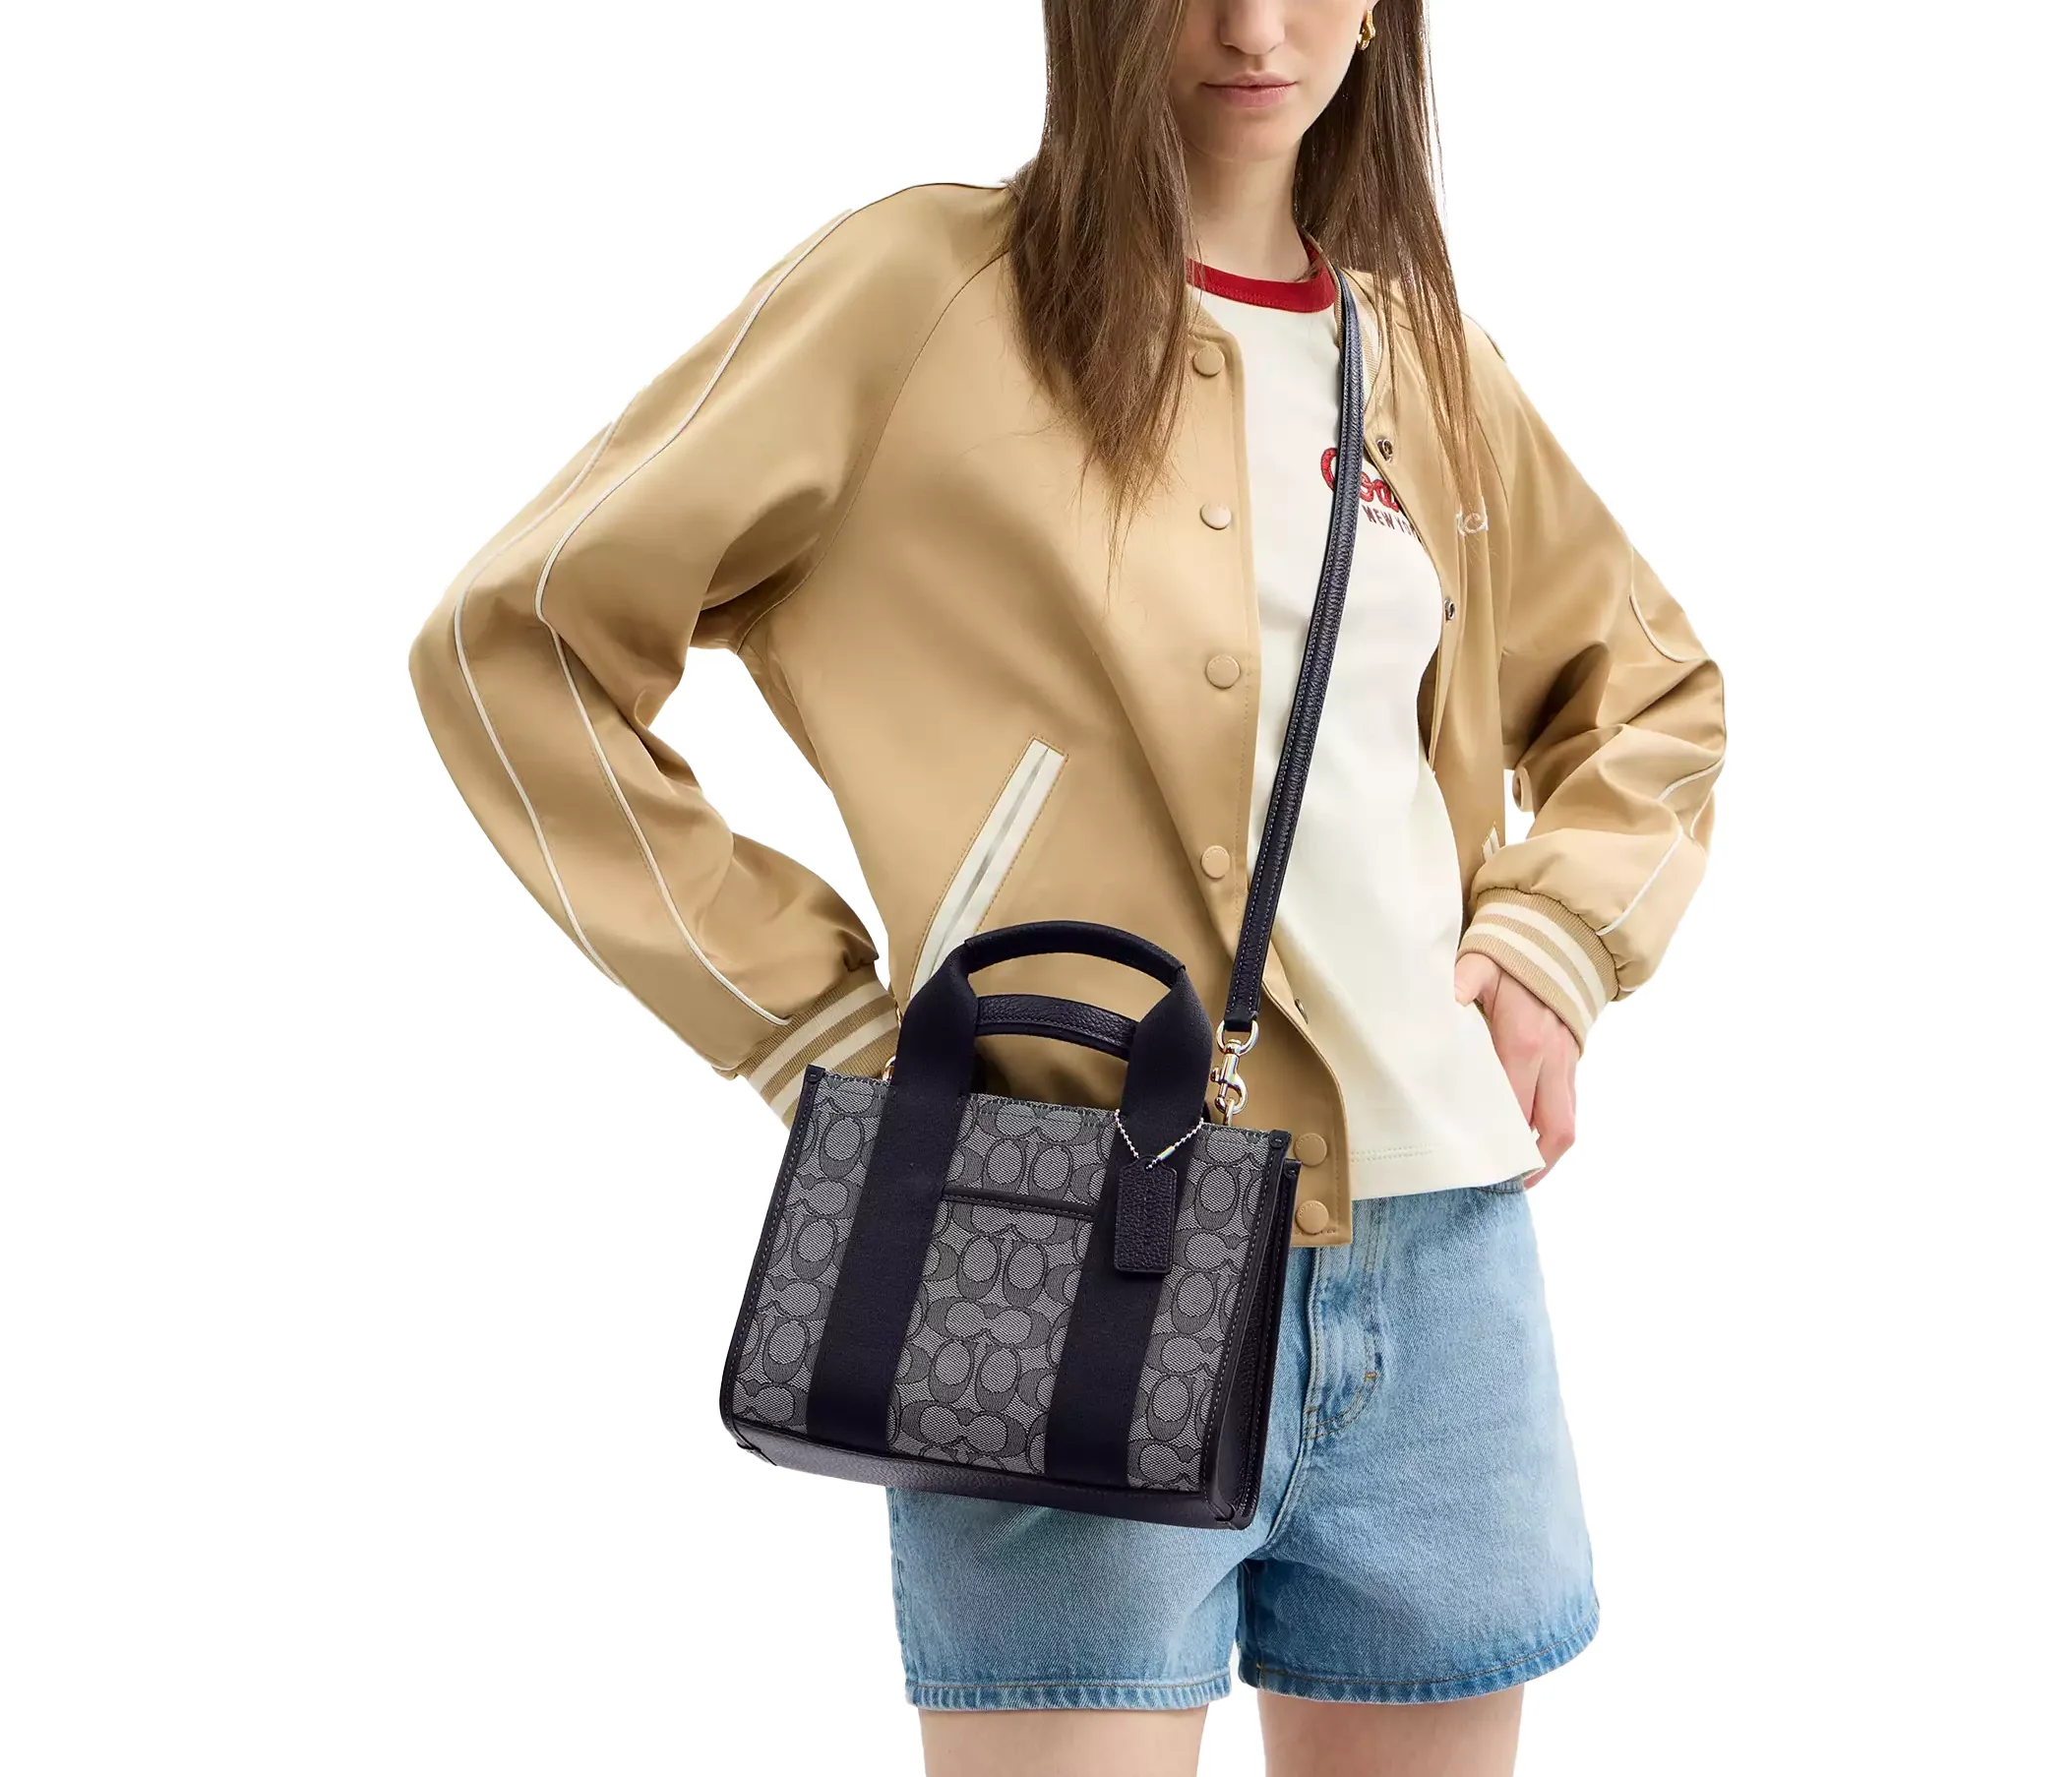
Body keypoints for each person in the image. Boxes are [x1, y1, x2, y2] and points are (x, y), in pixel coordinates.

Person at [406, 3, 1724, 1771]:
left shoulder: (1420, 357)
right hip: (1051, 1236)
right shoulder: (917, 297)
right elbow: (516, 643)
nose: (1252, 27)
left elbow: (1652, 693)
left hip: (1445, 1269)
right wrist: (808, 1022)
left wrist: (1556, 942)